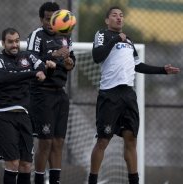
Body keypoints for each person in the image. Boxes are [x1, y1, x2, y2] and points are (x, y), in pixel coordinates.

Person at [88, 6, 180, 184]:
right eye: (114, 15)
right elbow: (97, 56)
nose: (119, 18)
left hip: (128, 95)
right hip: (110, 94)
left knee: (131, 139)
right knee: (103, 141)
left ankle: (134, 181)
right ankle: (92, 180)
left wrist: (162, 70)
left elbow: (138, 65)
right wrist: (115, 39)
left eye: (121, 15)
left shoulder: (128, 40)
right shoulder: (103, 34)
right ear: (107, 20)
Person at [0, 28, 46, 184]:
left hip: (24, 115)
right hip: (3, 115)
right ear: (3, 43)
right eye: (10, 41)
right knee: (13, 163)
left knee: (26, 165)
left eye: (16, 41)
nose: (14, 45)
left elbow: (42, 66)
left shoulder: (28, 56)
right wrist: (31, 73)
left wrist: (41, 69)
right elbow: (2, 77)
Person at [26, 2, 76, 184]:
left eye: (54, 18)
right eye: (47, 19)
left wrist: (70, 63)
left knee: (58, 142)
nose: (50, 22)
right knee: (45, 141)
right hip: (41, 93)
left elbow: (71, 61)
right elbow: (29, 58)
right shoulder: (36, 36)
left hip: (60, 93)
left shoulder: (66, 36)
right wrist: (52, 56)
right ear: (41, 19)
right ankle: (39, 180)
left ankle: (55, 180)